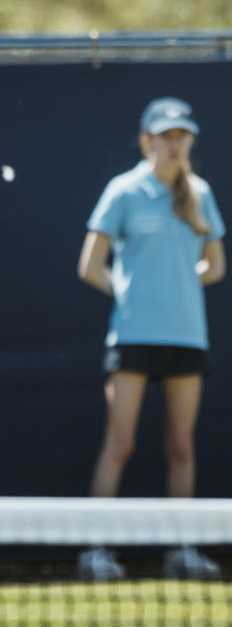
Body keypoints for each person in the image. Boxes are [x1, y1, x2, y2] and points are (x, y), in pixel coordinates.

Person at [76, 97, 226, 581]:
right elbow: (90, 266)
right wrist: (129, 288)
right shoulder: (123, 190)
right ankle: (95, 551)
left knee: (181, 446)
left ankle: (181, 548)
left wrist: (180, 281)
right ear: (148, 142)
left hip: (187, 336)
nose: (176, 144)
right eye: (167, 136)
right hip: (133, 336)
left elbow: (216, 266)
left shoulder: (200, 193)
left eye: (183, 136)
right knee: (118, 444)